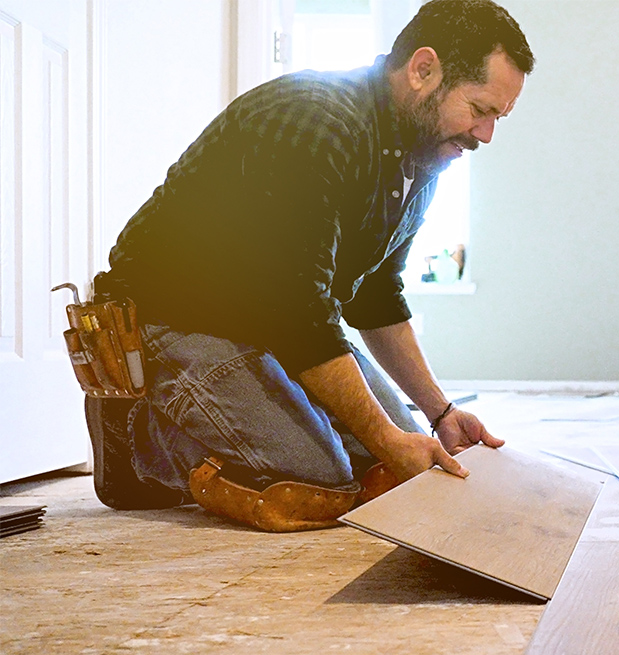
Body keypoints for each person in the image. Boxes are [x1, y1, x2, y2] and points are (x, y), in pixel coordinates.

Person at [84, 0, 534, 532]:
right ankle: (135, 441)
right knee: (319, 478)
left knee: (392, 466)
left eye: (498, 118)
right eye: (480, 109)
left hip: (265, 323)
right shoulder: (315, 119)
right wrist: (386, 438)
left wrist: (439, 413)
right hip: (171, 317)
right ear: (423, 70)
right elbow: (297, 308)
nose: (485, 135)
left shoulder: (420, 158)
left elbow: (375, 296)